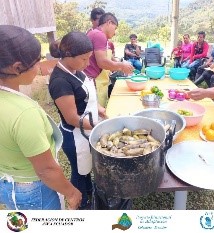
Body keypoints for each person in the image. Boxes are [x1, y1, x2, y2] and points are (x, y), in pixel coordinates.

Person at [0, 25, 81, 210]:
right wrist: (71, 192)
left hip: (6, 182)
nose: (41, 66)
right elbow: (46, 170)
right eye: (37, 61)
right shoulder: (24, 114)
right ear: (17, 67)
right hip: (32, 191)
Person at [48, 31, 107, 210]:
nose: (87, 63)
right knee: (79, 172)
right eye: (83, 59)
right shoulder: (60, 81)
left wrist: (101, 111)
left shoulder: (75, 70)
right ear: (67, 55)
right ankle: (81, 207)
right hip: (75, 137)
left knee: (87, 168)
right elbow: (73, 118)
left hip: (87, 130)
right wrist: (100, 126)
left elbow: (85, 96)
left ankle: (90, 194)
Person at [84, 13, 134, 107]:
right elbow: (102, 62)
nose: (115, 32)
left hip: (90, 78)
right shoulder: (99, 35)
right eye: (115, 28)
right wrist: (122, 66)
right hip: (88, 79)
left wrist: (119, 63)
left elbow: (105, 58)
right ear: (109, 23)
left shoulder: (95, 33)